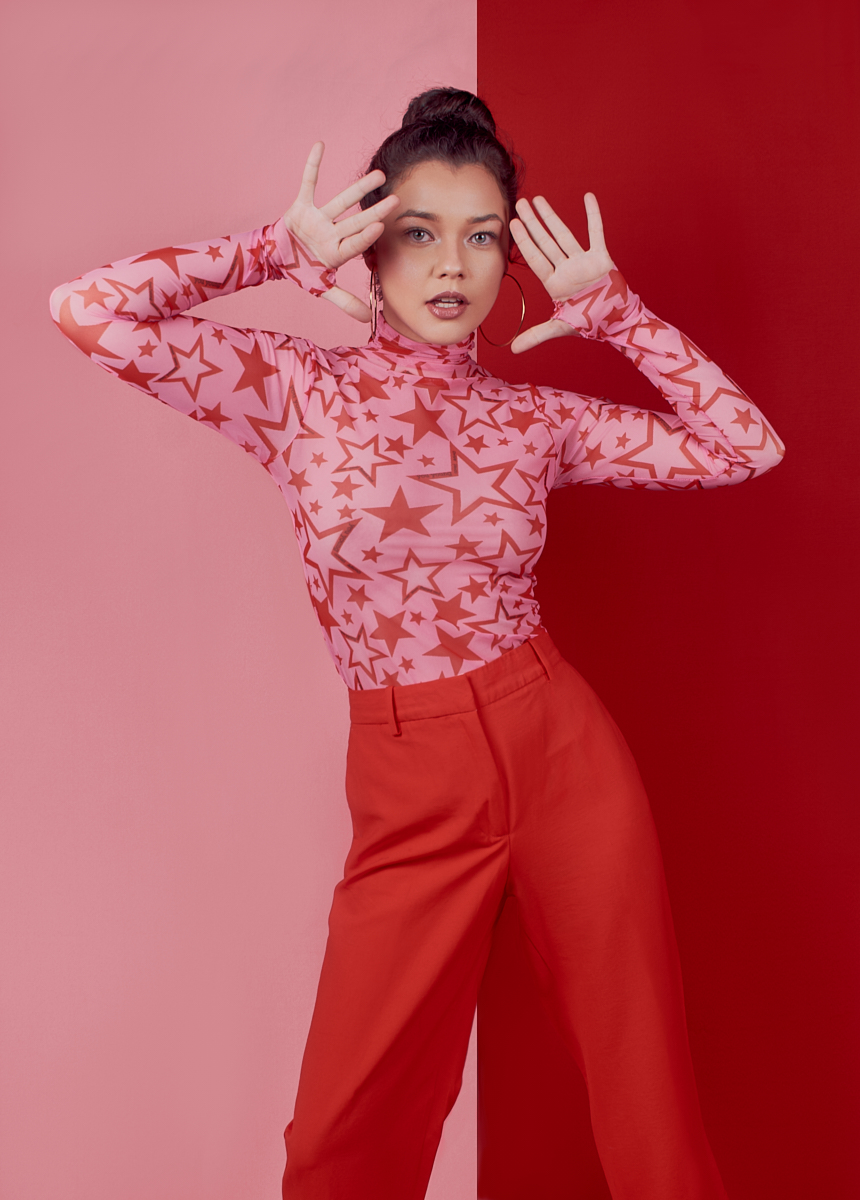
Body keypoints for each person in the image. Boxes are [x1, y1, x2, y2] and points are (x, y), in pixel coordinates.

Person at [50, 87, 784, 1200]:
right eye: (418, 233)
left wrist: (618, 314)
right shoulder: (293, 392)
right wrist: (270, 251)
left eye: (481, 235)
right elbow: (87, 308)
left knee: (648, 1119)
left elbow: (744, 446)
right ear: (369, 246)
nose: (453, 266)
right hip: (406, 780)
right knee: (338, 1148)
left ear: (507, 257)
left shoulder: (537, 423)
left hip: (560, 757)